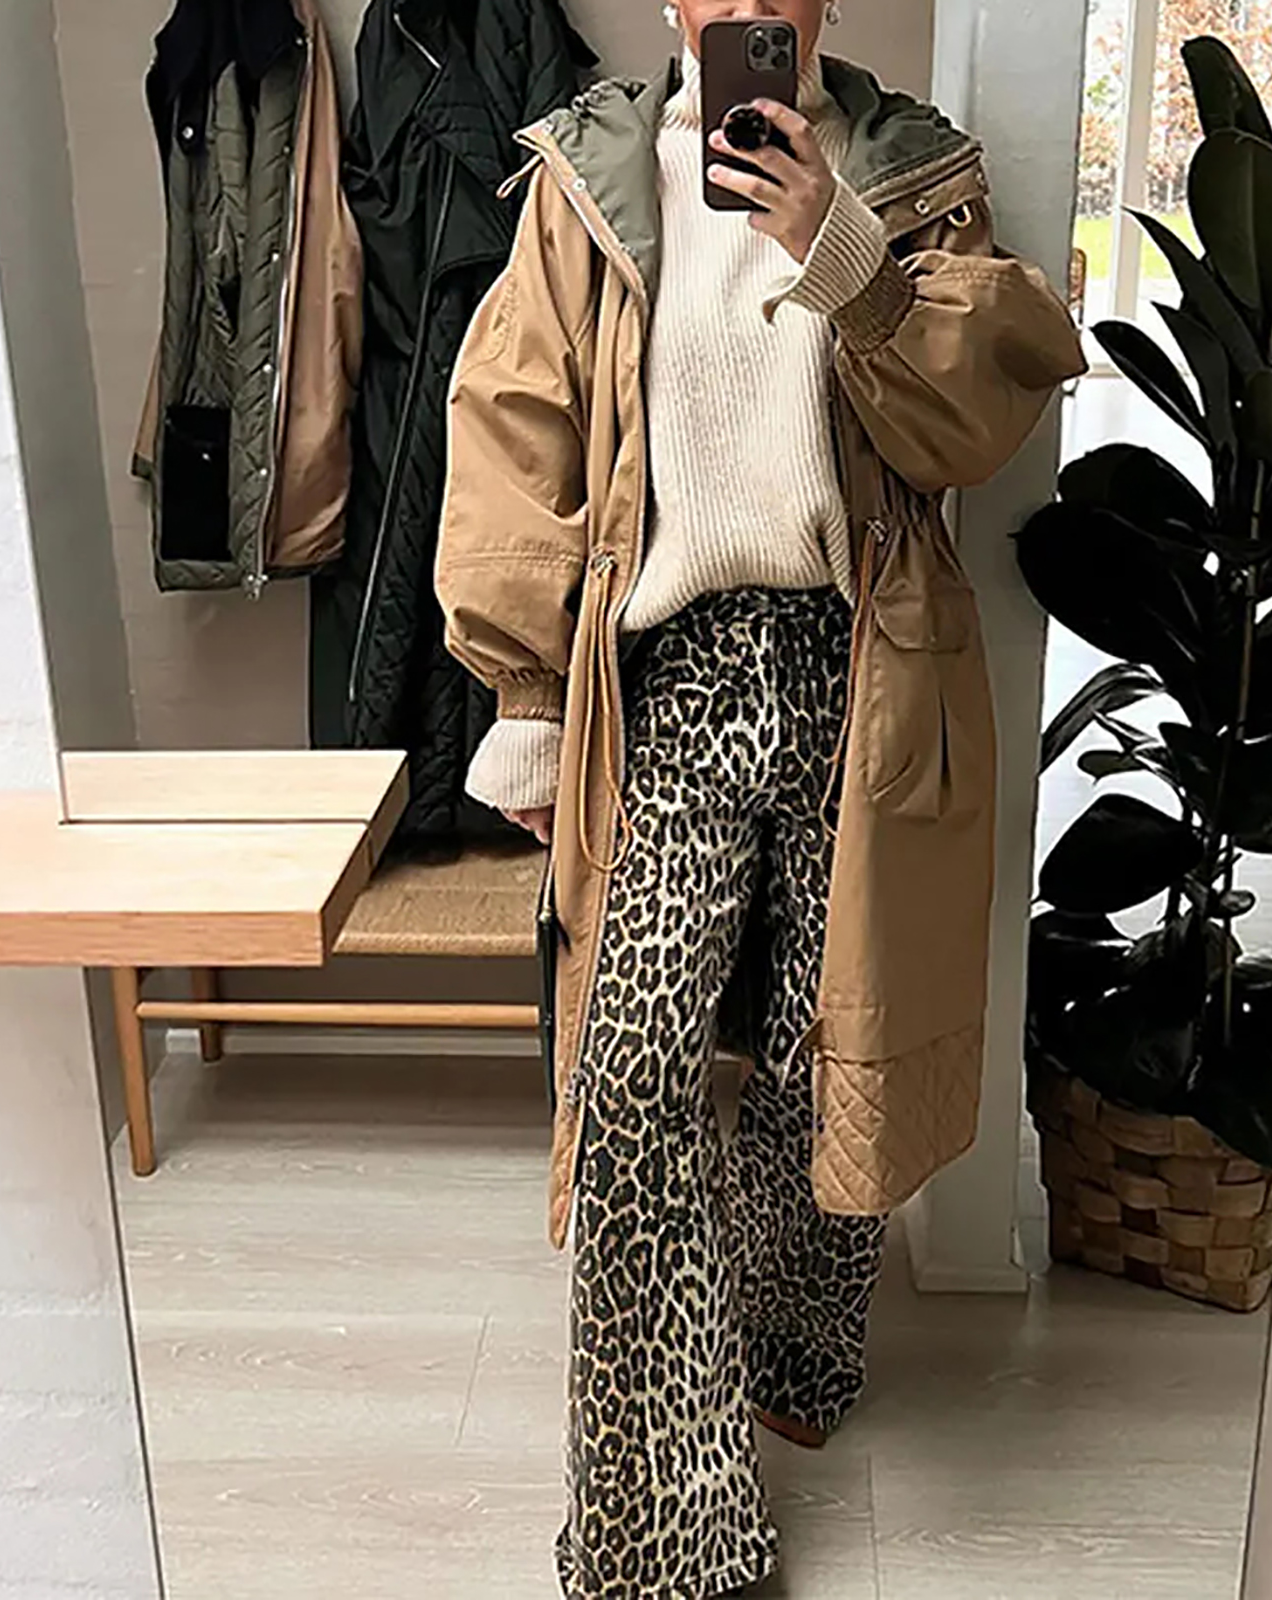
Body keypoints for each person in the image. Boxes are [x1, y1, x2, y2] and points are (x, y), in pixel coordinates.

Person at [435, 2, 1087, 1593]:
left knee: (822, 1047)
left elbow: (977, 423)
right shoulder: (587, 182)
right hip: (673, 673)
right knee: (634, 1076)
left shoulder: (911, 176)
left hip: (865, 663)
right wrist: (525, 701)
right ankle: (666, 1525)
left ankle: (793, 1353)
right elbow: (514, 430)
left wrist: (840, 250)